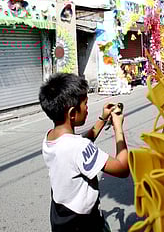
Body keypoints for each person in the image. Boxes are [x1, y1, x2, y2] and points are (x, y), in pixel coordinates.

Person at [39, 73, 130, 232]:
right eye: (85, 104)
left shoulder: (50, 137)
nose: (87, 108)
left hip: (61, 216)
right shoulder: (77, 147)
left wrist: (102, 119)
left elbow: (81, 144)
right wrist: (118, 127)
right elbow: (122, 168)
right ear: (72, 113)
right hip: (84, 223)